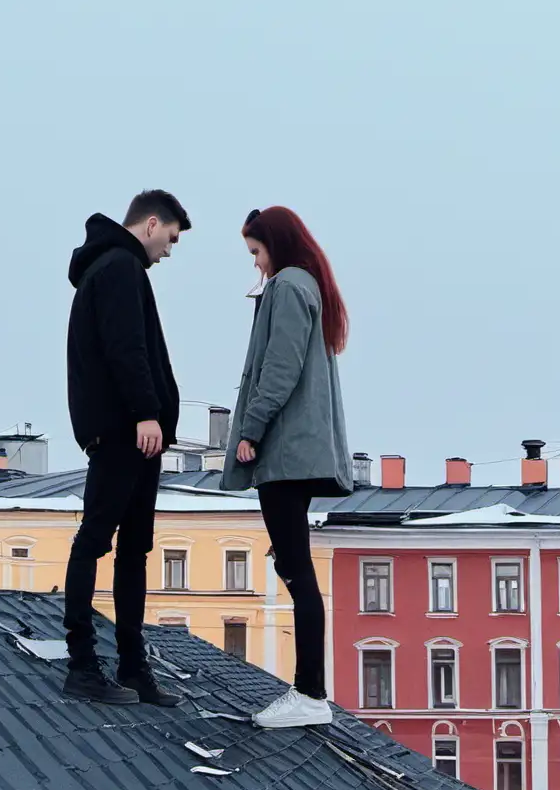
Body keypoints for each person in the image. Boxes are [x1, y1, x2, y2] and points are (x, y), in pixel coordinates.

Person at [220, 206, 352, 728]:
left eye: (256, 251)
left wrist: (252, 428)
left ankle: (310, 695)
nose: (256, 264)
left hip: (286, 452)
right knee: (295, 566)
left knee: (296, 571)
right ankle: (310, 693)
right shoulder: (307, 284)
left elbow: (279, 366)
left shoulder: (289, 286)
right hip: (298, 449)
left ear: (274, 242)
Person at [62, 189, 191, 705]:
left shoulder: (115, 267)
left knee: (134, 547)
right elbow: (125, 346)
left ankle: (133, 667)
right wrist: (144, 411)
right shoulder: (119, 266)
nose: (169, 251)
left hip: (134, 431)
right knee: (97, 538)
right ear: (152, 224)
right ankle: (84, 666)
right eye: (171, 239)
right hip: (124, 430)